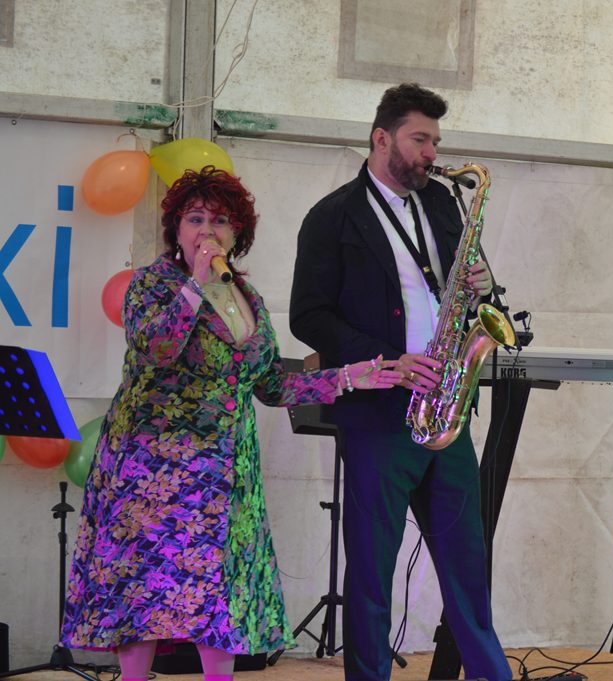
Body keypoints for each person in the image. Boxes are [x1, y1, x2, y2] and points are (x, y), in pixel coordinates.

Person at [60, 166, 403, 681]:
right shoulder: (152, 283)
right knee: (142, 586)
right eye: (195, 219)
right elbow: (156, 348)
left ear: (237, 231)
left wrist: (350, 377)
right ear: (176, 230)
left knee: (221, 593)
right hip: (150, 466)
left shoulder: (248, 298)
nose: (207, 230)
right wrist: (194, 287)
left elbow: (272, 385)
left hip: (225, 469)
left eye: (220, 220)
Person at [289, 83, 511, 681]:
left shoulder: (442, 203)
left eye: (435, 141)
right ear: (381, 138)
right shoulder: (332, 216)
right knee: (371, 571)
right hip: (379, 412)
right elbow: (308, 316)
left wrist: (481, 291)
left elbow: (461, 290)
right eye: (420, 139)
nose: (432, 153)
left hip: (446, 408)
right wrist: (389, 361)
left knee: (468, 565)